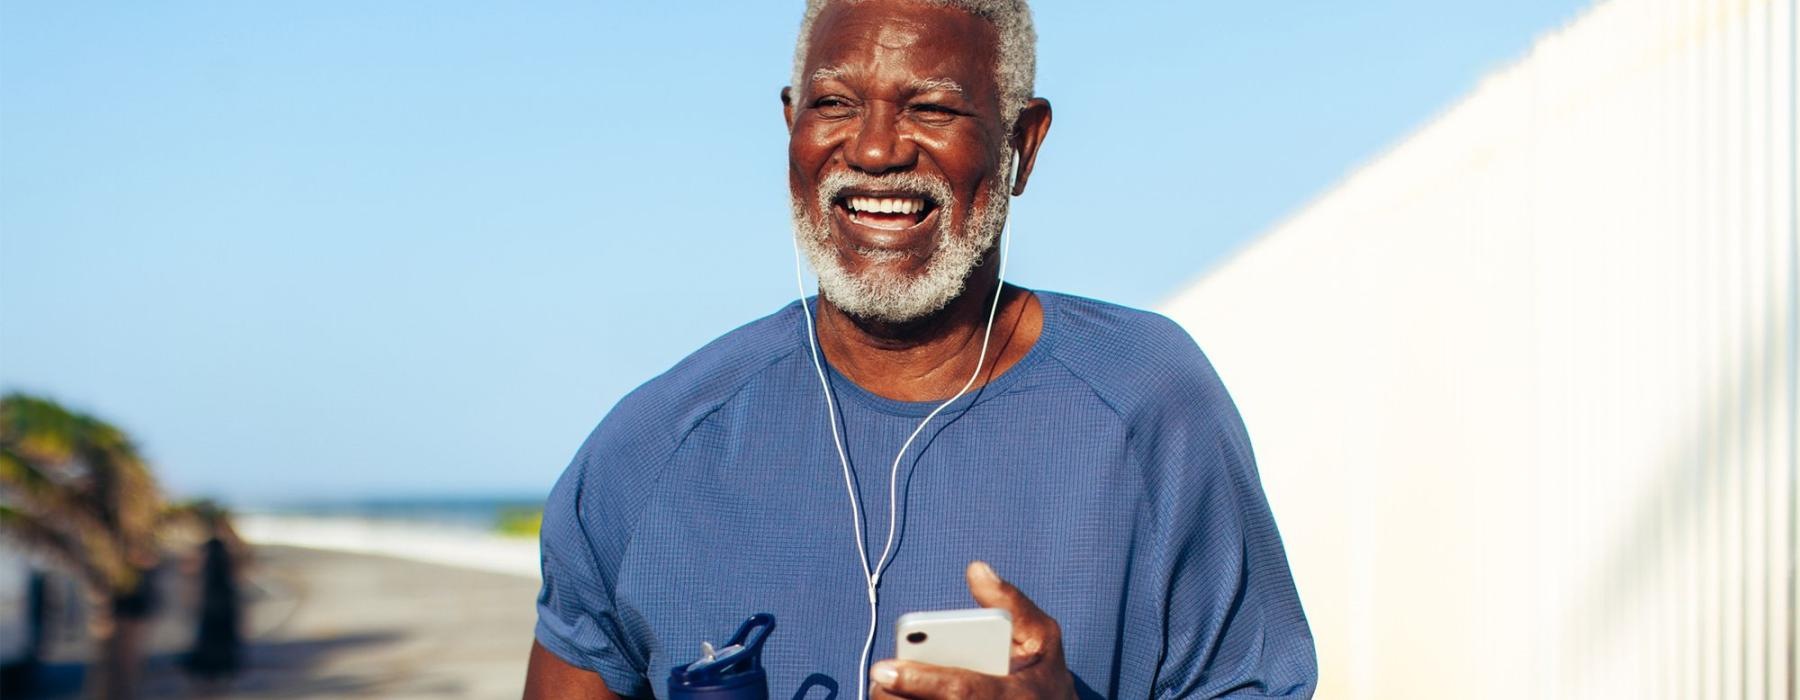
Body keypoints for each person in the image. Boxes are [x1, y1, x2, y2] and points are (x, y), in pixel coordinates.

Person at [524, 1, 1316, 698]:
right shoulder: (651, 449)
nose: (874, 152)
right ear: (790, 124)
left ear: (1023, 146)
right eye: (834, 102)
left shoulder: (1148, 404)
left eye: (932, 109)